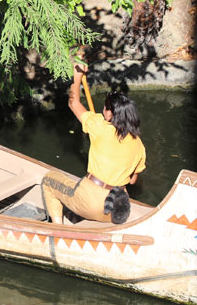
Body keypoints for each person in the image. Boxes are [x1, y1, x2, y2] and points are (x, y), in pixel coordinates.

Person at [41, 64, 146, 225]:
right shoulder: (138, 143)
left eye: (105, 108)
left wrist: (77, 76)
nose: (103, 111)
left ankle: (59, 230)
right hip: (117, 209)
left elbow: (73, 102)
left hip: (92, 204)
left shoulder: (100, 125)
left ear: (110, 113)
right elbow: (132, 181)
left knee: (48, 179)